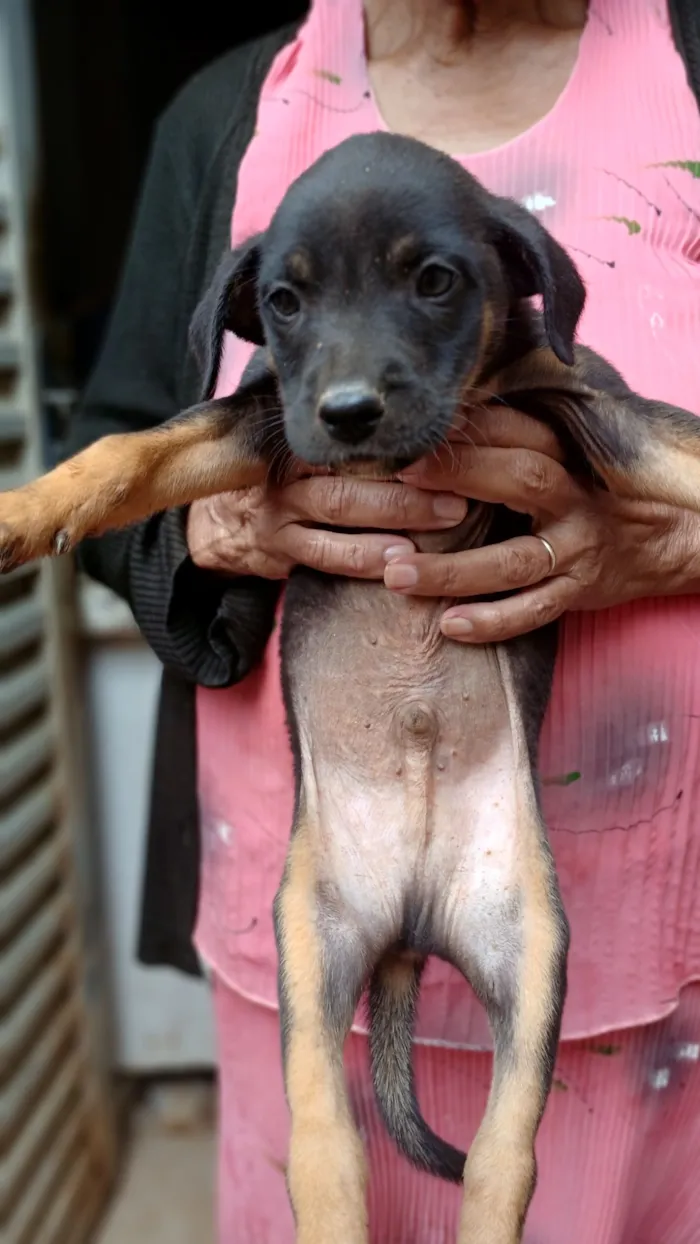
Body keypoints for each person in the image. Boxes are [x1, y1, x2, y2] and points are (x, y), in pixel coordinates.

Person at [70, 1, 700, 1240]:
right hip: (313, 896)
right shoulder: (223, 117)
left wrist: (676, 545)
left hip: (661, 951)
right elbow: (115, 454)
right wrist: (209, 530)